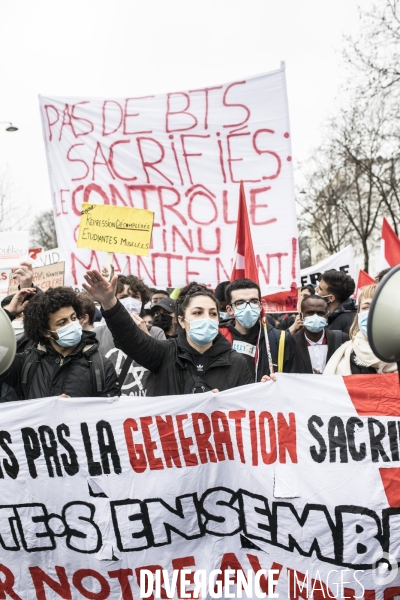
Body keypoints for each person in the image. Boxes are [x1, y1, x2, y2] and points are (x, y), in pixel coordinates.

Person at [83, 270, 258, 395]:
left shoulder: (236, 362)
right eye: (197, 312)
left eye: (212, 313)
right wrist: (109, 302)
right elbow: (129, 336)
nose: (206, 318)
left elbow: (249, 411)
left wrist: (266, 391)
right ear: (181, 319)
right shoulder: (163, 353)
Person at [0, 287, 120, 399]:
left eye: (73, 318)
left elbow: (111, 415)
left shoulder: (101, 367)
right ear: (46, 332)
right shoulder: (25, 364)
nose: (72, 325)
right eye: (62, 322)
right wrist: (7, 313)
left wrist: (74, 411)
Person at [79, 290, 164, 397]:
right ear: (112, 298)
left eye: (135, 296)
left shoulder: (156, 333)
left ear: (142, 301)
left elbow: (165, 368)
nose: (129, 301)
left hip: (146, 408)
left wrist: (146, 338)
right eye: (123, 296)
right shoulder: (95, 335)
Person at [324, 284, 398, 375]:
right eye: (365, 308)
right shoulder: (345, 356)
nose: (370, 313)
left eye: (378, 306)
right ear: (358, 314)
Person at [221, 278, 284, 379]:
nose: (248, 308)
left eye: (254, 301)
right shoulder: (218, 338)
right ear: (229, 309)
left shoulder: (279, 339)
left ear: (260, 306)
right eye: (240, 303)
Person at [284, 295, 349, 374]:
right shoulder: (291, 343)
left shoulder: (341, 339)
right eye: (310, 313)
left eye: (320, 313)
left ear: (327, 316)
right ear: (301, 316)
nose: (315, 317)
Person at [315, 269, 356, 334]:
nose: (316, 289)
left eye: (320, 289)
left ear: (331, 298)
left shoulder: (347, 322)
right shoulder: (332, 317)